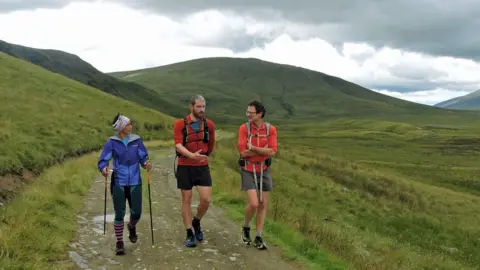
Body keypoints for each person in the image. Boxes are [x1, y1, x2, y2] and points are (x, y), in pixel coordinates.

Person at [97, 113, 152, 256]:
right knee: (119, 213)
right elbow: (104, 160)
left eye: (130, 124)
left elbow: (143, 156)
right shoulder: (112, 142)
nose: (131, 126)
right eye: (128, 124)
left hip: (135, 181)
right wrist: (103, 168)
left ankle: (132, 226)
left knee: (136, 212)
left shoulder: (136, 140)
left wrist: (145, 163)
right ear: (121, 128)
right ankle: (119, 242)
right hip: (119, 182)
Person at [173, 94, 216, 248]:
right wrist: (192, 156)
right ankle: (189, 232)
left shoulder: (209, 125)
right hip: (185, 165)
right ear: (191, 107)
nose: (201, 110)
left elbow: (211, 144)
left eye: (203, 107)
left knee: (206, 200)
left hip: (202, 166)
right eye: (198, 107)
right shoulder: (180, 124)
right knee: (186, 199)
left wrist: (204, 157)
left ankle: (196, 221)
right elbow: (178, 145)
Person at [237, 100, 277, 250]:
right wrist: (262, 150)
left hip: (264, 169)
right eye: (247, 112)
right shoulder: (244, 128)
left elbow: (272, 151)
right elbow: (242, 152)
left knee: (263, 204)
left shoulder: (270, 129)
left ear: (260, 114)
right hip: (248, 169)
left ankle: (258, 236)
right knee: (254, 203)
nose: (248, 114)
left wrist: (252, 147)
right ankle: (246, 227)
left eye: (251, 113)